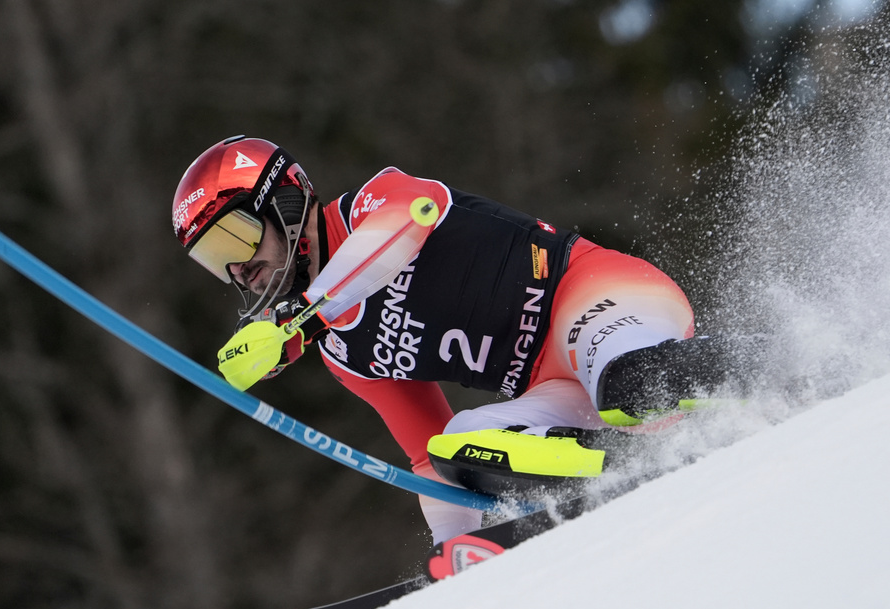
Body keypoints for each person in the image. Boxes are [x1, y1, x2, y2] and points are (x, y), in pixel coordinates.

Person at [171, 135, 736, 546]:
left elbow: (407, 224)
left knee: (627, 385)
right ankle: (621, 477)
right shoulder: (342, 352)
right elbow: (424, 458)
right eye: (214, 260)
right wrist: (453, 554)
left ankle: (779, 359)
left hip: (596, 297)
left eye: (235, 238)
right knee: (459, 446)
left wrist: (301, 322)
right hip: (552, 385)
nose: (238, 269)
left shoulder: (373, 201)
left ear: (285, 202)